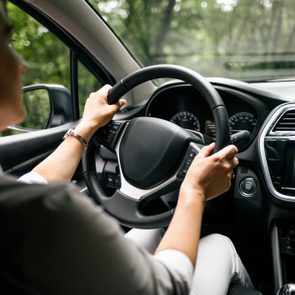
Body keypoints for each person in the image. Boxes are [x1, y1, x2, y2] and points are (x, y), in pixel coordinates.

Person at [0, 1, 260, 294]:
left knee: (155, 229)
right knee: (219, 244)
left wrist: (86, 127)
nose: (22, 65)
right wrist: (194, 190)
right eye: (6, 44)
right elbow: (168, 287)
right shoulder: (40, 212)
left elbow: (34, 183)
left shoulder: (15, 203)